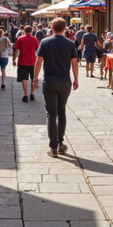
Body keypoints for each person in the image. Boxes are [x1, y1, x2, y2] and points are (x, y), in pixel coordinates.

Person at [33, 17, 79, 157]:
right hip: (65, 80)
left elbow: (38, 61)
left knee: (51, 114)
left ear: (52, 28)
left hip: (49, 80)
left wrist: (35, 78)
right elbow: (75, 63)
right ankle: (60, 143)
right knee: (62, 111)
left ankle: (53, 147)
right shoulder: (70, 44)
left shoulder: (45, 42)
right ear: (65, 28)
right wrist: (76, 79)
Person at [13, 24, 40, 102]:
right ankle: (32, 94)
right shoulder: (35, 39)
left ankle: (25, 95)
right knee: (33, 78)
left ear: (24, 31)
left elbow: (16, 50)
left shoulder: (20, 39)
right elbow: (38, 50)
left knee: (24, 78)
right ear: (31, 31)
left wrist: (14, 60)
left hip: (22, 61)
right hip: (33, 61)